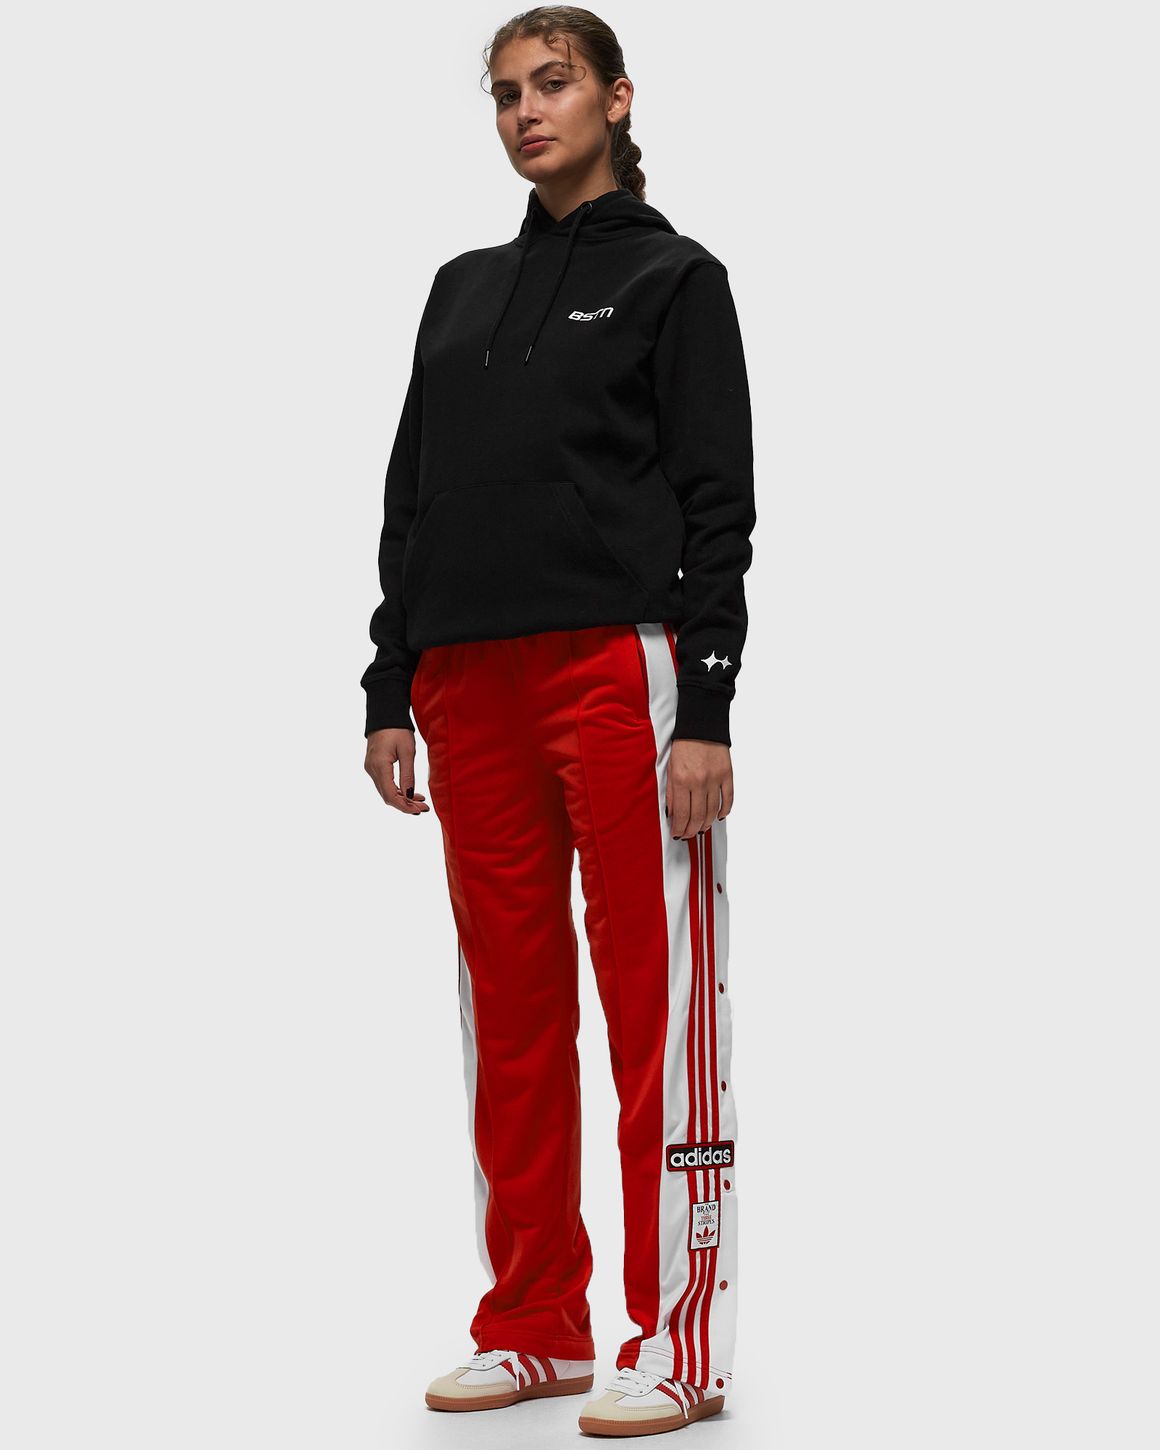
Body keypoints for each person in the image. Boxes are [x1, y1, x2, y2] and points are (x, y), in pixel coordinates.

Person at [361, 7, 756, 1437]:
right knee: (513, 1018)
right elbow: (412, 495)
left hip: (615, 671)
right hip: (468, 684)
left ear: (616, 98)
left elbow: (719, 506)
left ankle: (682, 1339)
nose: (526, 111)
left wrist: (704, 705)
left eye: (553, 83)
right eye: (504, 94)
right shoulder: (461, 290)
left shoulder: (674, 278)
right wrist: (390, 681)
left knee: (659, 1013)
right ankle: (535, 1322)